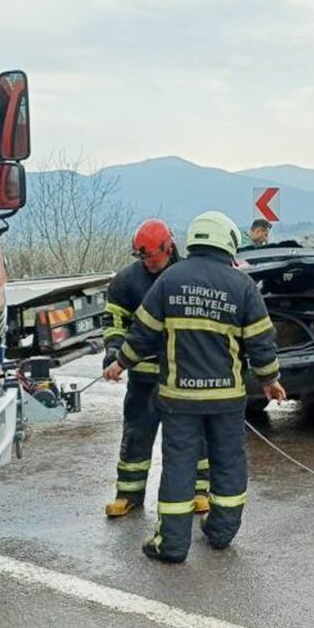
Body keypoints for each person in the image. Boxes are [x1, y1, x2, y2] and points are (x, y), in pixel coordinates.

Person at [105, 211, 285, 563]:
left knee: (178, 466)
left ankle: (171, 545)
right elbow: (262, 342)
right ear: (227, 241)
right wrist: (271, 381)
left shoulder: (170, 280)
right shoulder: (242, 285)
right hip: (226, 399)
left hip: (179, 397)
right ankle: (220, 533)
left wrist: (119, 363)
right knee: (229, 463)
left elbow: (142, 334)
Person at [101, 219, 210, 518]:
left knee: (192, 437)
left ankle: (200, 491)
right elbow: (114, 322)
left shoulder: (187, 275)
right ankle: (129, 494)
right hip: (143, 378)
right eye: (142, 257)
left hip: (184, 376)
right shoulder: (126, 282)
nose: (148, 262)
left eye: (152, 256)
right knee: (137, 434)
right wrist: (114, 350)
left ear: (169, 247)